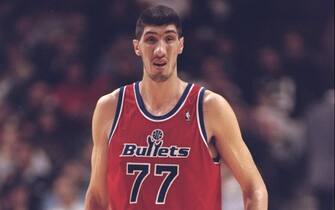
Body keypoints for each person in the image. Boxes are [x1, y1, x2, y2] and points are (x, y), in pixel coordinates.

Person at [84, 5, 268, 210]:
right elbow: (97, 198)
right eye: (151, 39)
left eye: (169, 39)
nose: (160, 50)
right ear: (137, 47)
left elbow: (254, 188)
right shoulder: (110, 108)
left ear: (180, 45)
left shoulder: (209, 108)